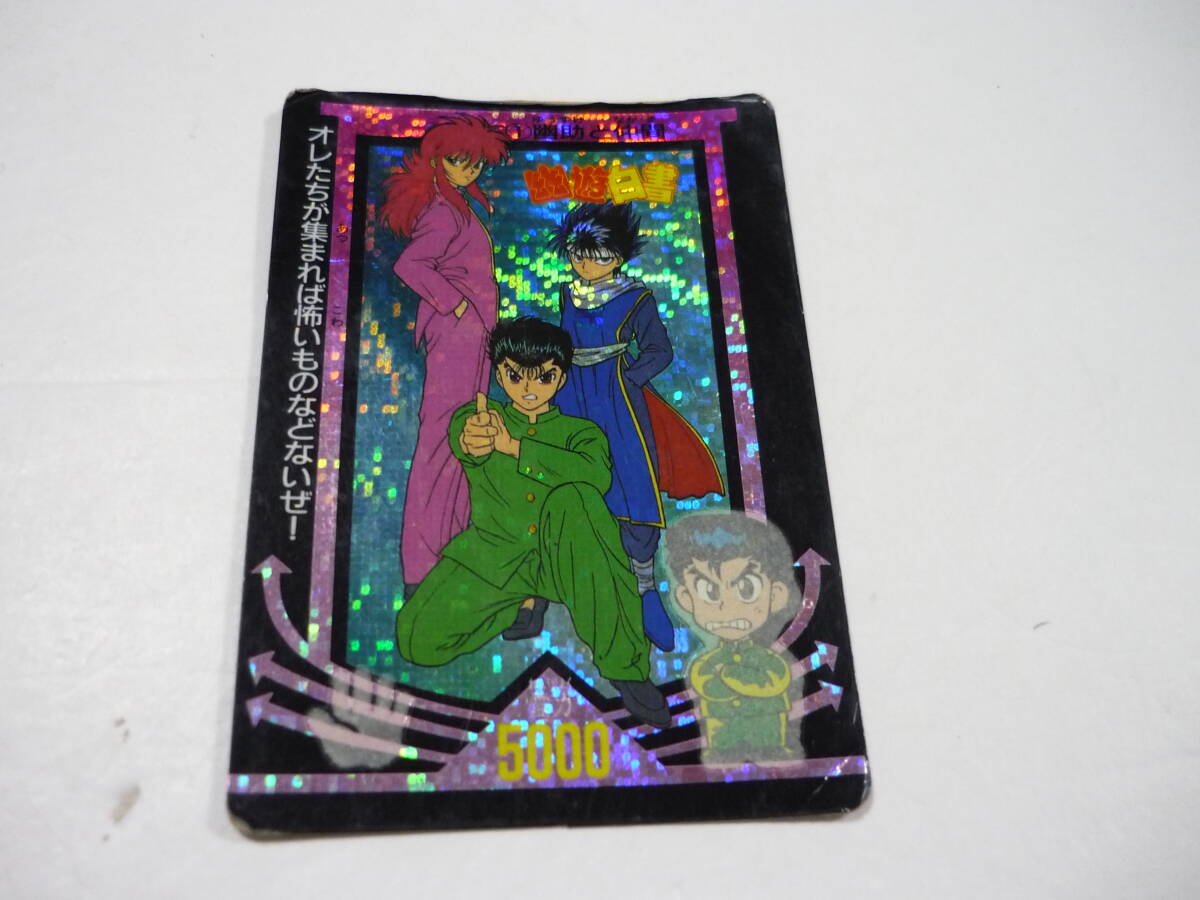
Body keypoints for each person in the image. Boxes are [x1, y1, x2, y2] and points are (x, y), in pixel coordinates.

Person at [395, 316, 671, 729]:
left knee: (577, 498)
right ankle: (518, 606)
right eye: (515, 375)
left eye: (543, 377)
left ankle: (626, 667)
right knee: (417, 639)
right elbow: (465, 437)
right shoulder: (483, 416)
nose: (528, 388)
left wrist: (515, 448)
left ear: (560, 379)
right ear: (499, 374)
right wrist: (475, 437)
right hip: (497, 558)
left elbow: (596, 475)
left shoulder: (582, 433)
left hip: (569, 559)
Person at [548, 202, 724, 652]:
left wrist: (628, 377)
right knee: (575, 485)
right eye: (579, 254)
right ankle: (587, 587)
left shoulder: (635, 298)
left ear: (618, 257)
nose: (586, 264)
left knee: (633, 486)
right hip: (571, 396)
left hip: (617, 400)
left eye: (599, 256)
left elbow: (659, 350)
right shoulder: (568, 294)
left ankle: (645, 589)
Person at [379, 114, 510, 590]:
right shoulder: (442, 210)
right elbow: (410, 264)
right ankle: (423, 566)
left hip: (472, 337)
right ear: (437, 160)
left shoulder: (458, 207)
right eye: (459, 160)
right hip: (457, 337)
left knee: (461, 441)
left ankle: (449, 552)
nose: (469, 170)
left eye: (475, 163)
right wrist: (456, 305)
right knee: (444, 442)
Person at [665, 512, 800, 761]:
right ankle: (723, 752)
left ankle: (770, 748)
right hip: (722, 729)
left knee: (770, 745)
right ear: (686, 598)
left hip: (767, 726)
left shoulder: (765, 658)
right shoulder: (706, 663)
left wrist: (730, 675)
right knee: (723, 750)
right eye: (709, 590)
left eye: (747, 588)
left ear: (775, 595)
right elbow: (704, 682)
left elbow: (776, 679)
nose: (726, 607)